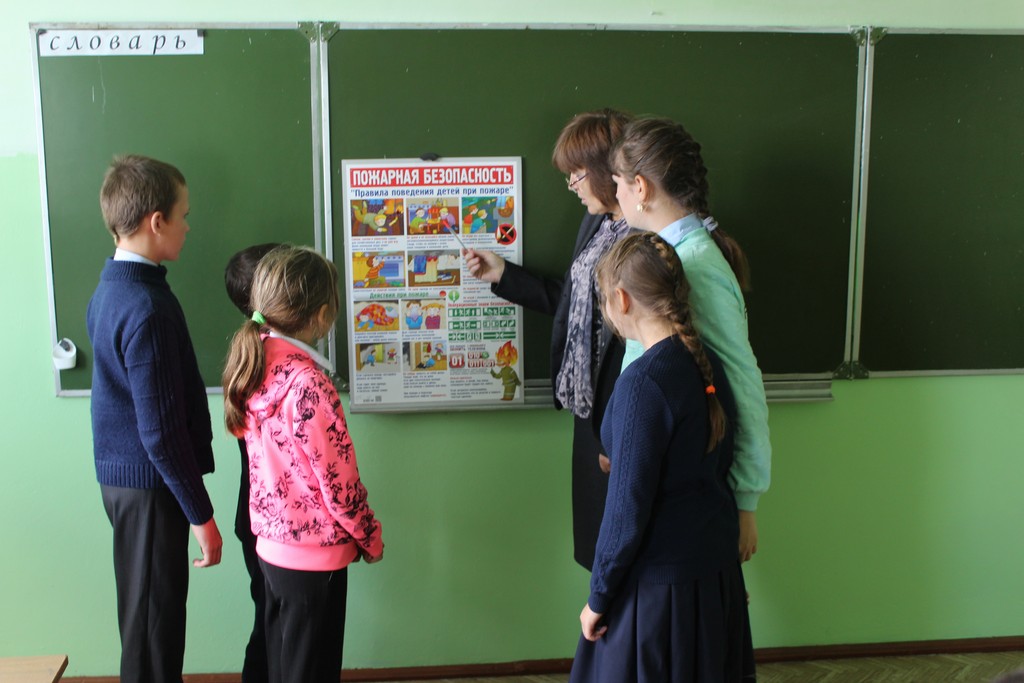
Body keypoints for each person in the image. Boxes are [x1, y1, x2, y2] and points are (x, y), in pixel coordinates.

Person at [570, 231, 755, 683]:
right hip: (711, 577)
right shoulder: (704, 364)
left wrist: (597, 598)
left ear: (622, 299)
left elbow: (626, 513)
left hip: (659, 595)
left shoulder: (643, 384)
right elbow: (716, 466)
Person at [464, 108, 633, 570]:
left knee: (623, 554)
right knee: (599, 553)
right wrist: (503, 274)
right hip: (588, 410)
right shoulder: (599, 223)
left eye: (578, 174)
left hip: (621, 415)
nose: (572, 185)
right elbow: (576, 305)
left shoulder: (645, 236)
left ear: (607, 170)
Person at [87, 154, 223, 683]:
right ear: (157, 221)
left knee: (147, 624)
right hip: (149, 486)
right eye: (184, 215)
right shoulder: (146, 307)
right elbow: (162, 435)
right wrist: (202, 517)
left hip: (128, 483)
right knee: (152, 636)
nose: (188, 227)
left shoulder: (112, 288)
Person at [611, 116, 771, 563]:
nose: (615, 195)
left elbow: (742, 380)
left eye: (618, 183)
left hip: (687, 499)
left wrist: (746, 500)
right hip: (659, 481)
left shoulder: (696, 265)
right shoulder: (668, 255)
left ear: (640, 187)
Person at [222, 245, 384, 683]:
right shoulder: (309, 383)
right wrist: (369, 537)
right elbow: (339, 484)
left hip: (271, 551)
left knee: (284, 668)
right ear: (323, 315)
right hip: (315, 560)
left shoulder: (254, 362)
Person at [224, 242, 281, 683]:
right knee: (271, 626)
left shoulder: (256, 353)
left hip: (261, 520)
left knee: (271, 621)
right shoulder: (274, 362)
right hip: (273, 524)